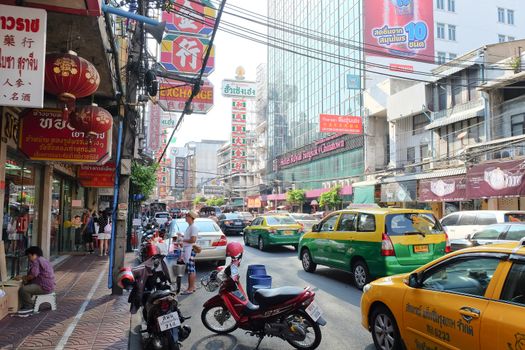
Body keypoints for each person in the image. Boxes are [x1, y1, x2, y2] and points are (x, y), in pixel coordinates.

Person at [17, 246, 55, 315]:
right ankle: (28, 303)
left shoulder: (36, 261)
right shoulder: (43, 259)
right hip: (49, 285)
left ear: (34, 255)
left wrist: (22, 278)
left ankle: (29, 306)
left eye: (29, 256)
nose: (28, 259)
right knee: (28, 285)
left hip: (44, 287)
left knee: (23, 289)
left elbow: (33, 275)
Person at [178, 210, 199, 294]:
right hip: (188, 249)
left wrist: (183, 240)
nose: (185, 217)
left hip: (190, 249)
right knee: (192, 269)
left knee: (191, 269)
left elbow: (193, 240)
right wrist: (183, 236)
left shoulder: (193, 227)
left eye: (187, 216)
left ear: (191, 217)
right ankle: (192, 287)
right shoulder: (190, 226)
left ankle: (190, 288)